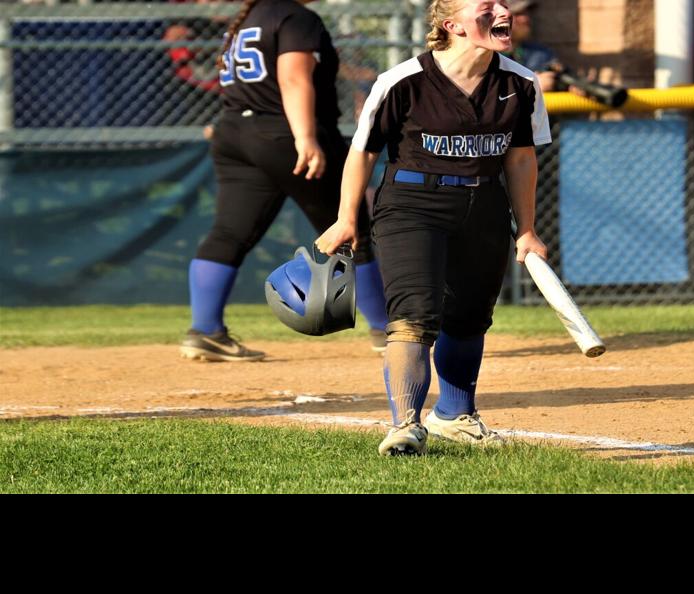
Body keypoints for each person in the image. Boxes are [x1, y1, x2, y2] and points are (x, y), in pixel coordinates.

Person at [314, 0, 551, 456]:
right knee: (413, 315)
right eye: (487, 6)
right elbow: (362, 152)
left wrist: (527, 229)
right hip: (412, 204)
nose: (503, 10)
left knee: (468, 317)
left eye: (503, 4)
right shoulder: (402, 81)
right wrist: (347, 219)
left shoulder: (520, 82)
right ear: (453, 25)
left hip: (483, 203)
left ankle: (455, 416)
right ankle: (404, 425)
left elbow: (521, 157)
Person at [182, 0, 390, 361]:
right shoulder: (294, 15)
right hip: (285, 132)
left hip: (235, 130)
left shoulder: (250, 16)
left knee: (229, 233)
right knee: (351, 228)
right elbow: (293, 77)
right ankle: (387, 331)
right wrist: (305, 137)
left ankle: (205, 330)